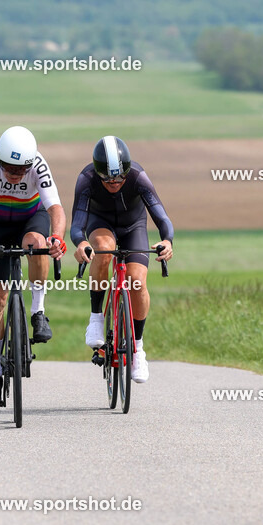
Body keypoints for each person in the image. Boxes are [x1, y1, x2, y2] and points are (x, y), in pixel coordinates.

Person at [0, 126, 66, 406]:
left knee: (37, 243)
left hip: (30, 219)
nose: (14, 175)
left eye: (21, 170)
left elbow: (56, 208)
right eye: (9, 168)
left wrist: (57, 238)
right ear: (1, 161)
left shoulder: (39, 166)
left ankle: (38, 311)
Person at [71, 136, 174, 384]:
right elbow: (77, 225)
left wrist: (167, 241)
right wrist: (81, 243)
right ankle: (96, 318)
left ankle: (138, 349)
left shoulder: (138, 176)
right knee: (104, 250)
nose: (115, 183)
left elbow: (161, 216)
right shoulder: (86, 179)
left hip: (133, 226)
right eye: (108, 180)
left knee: (137, 280)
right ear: (98, 173)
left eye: (120, 178)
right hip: (101, 225)